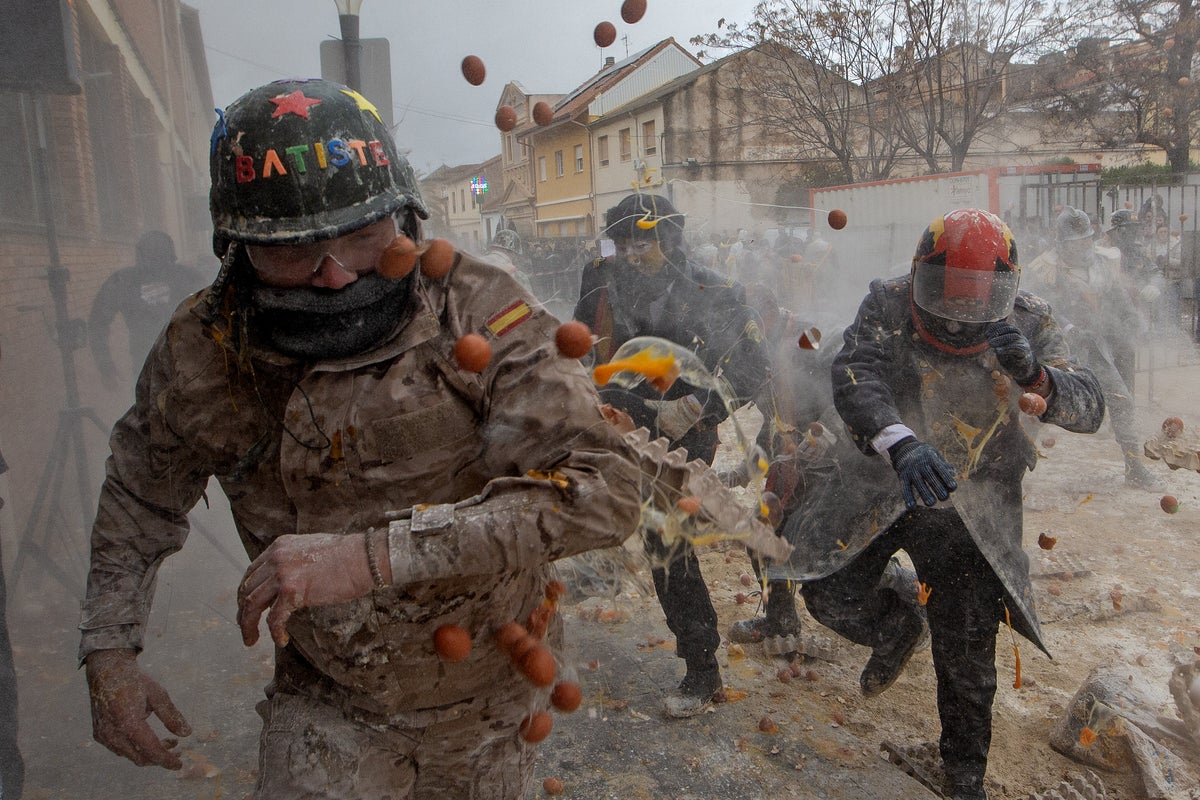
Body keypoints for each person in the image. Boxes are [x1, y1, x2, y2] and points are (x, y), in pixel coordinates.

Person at [78, 78, 643, 800]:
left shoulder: (474, 307)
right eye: (297, 251)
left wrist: (372, 557)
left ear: (403, 217)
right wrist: (110, 650)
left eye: (362, 236)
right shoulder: (203, 349)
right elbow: (140, 493)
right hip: (329, 698)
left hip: (487, 696)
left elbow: (606, 489)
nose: (336, 273)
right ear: (240, 249)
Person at [775, 209, 1105, 800]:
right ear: (920, 274)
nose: (957, 316)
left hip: (973, 511)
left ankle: (964, 780)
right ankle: (897, 623)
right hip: (883, 484)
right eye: (946, 294)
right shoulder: (888, 302)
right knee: (827, 591)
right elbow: (855, 372)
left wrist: (1038, 378)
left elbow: (1090, 406)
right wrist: (900, 443)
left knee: (967, 653)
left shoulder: (1031, 320)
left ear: (1004, 289)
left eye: (977, 298)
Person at [573, 192, 772, 717]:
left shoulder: (712, 289)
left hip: (684, 435)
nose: (634, 253)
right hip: (614, 426)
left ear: (671, 238)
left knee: (668, 544)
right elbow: (580, 345)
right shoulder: (600, 283)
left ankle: (701, 667)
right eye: (625, 242)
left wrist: (700, 408)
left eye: (646, 241)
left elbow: (753, 366)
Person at [1024, 207, 1163, 489]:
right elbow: (1044, 307)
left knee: (1121, 400)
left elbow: (1118, 297)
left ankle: (1134, 468)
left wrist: (1134, 321)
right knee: (1035, 405)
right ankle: (1015, 469)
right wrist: (1070, 329)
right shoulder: (1045, 268)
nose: (1081, 246)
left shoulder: (1102, 264)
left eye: (1085, 239)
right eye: (1074, 242)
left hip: (1094, 348)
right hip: (1055, 348)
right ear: (1062, 242)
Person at [87, 230, 204, 393]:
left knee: (155, 402)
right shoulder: (188, 277)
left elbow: (97, 323)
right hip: (179, 362)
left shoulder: (124, 281)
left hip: (159, 362)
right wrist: (106, 366)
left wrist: (106, 367)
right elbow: (97, 323)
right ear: (171, 254)